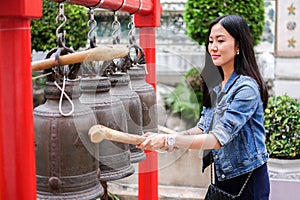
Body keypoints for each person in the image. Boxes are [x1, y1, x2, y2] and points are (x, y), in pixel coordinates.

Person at [137, 14, 270, 199]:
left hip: (248, 181)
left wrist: (170, 140)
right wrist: (168, 138)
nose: (213, 47)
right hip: (223, 177)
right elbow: (203, 127)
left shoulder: (246, 88)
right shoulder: (216, 85)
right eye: (210, 41)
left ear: (238, 46)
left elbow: (217, 139)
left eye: (220, 41)